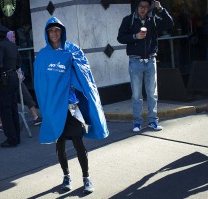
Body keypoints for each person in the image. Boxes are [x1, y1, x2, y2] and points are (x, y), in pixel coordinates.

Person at [34, 17, 109, 194]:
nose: (54, 33)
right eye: (51, 30)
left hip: (71, 106)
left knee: (78, 142)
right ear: (47, 33)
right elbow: (40, 83)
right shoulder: (43, 56)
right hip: (54, 106)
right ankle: (66, 176)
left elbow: (85, 72)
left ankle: (86, 177)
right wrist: (45, 106)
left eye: (57, 30)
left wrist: (72, 62)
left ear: (62, 32)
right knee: (59, 143)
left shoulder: (72, 50)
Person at [117, 0, 173, 132]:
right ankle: (137, 123)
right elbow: (120, 38)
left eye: (146, 7)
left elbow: (169, 24)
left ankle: (153, 121)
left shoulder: (152, 19)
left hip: (151, 60)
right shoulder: (128, 20)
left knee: (152, 94)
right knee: (136, 95)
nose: (143, 9)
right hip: (135, 61)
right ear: (137, 7)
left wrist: (160, 9)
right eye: (141, 6)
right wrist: (135, 36)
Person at [0, 31, 41, 131]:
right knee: (8, 101)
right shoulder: (6, 48)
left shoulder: (11, 47)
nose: (15, 38)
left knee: (25, 97)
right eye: (13, 37)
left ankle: (35, 117)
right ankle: (2, 123)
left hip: (15, 78)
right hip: (11, 78)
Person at [0, 24, 21, 147]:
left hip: (4, 81)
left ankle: (11, 138)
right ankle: (16, 136)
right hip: (13, 77)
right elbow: (18, 63)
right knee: (13, 108)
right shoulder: (13, 45)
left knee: (5, 110)